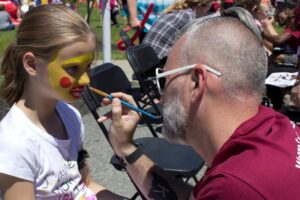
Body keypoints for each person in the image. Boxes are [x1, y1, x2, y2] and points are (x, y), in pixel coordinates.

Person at [99, 7, 300, 199]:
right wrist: (125, 148)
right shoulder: (275, 126)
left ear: (196, 81)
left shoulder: (237, 186)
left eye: (165, 80)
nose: (161, 98)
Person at [0, 4, 122, 200]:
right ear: (31, 64)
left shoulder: (69, 115)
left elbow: (84, 183)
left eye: (88, 66)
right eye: (73, 68)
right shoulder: (14, 143)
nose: (86, 80)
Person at [142, 0, 212, 64]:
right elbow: (189, 47)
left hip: (143, 55)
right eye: (208, 9)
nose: (207, 13)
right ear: (200, 6)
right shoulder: (188, 17)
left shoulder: (177, 11)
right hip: (155, 62)